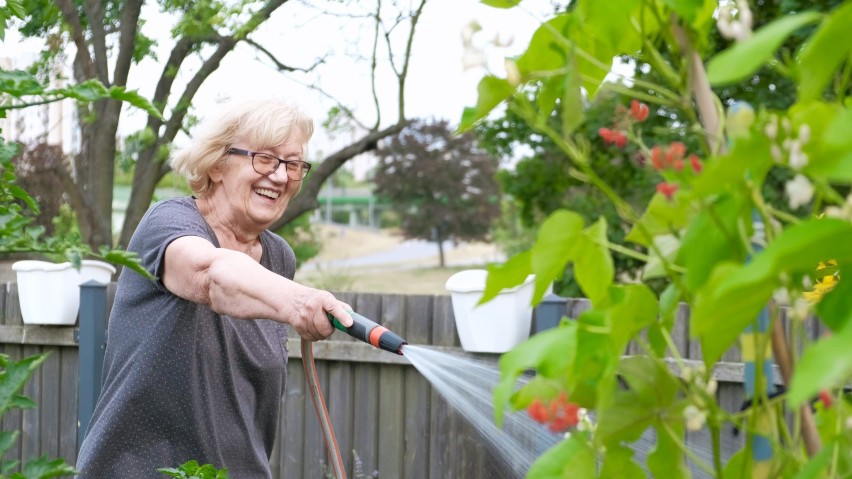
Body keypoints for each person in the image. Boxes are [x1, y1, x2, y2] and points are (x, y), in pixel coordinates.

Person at [76, 97, 353, 478]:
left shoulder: (278, 258)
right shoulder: (169, 224)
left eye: (292, 164)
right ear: (218, 163)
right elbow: (211, 275)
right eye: (265, 159)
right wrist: (298, 301)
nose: (280, 176)